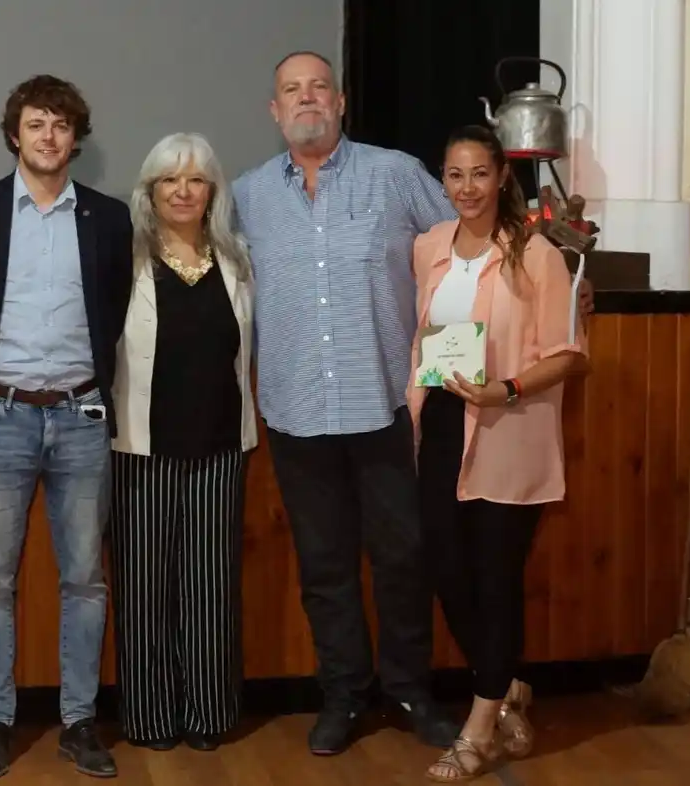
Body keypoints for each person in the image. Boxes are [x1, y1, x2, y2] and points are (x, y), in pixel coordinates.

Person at [231, 51, 593, 757]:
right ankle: (342, 695)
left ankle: (409, 691)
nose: (307, 99)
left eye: (319, 87)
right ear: (274, 112)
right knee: (325, 568)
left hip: (389, 410)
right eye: (291, 91)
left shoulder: (396, 176)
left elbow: (472, 244)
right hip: (295, 413)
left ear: (340, 103)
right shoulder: (246, 196)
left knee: (404, 560)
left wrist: (566, 272)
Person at [0, 74, 133, 780]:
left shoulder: (109, 219)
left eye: (60, 124)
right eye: (35, 124)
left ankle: (79, 722)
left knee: (85, 579)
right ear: (14, 135)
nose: (48, 136)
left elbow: (111, 314)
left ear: (75, 138)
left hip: (82, 416)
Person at [410, 125, 588, 782]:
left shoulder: (535, 254)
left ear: (502, 177)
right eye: (455, 175)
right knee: (449, 573)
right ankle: (508, 688)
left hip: (509, 428)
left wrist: (505, 389)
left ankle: (479, 728)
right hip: (443, 425)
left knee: (494, 578)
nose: (467, 188)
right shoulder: (428, 247)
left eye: (479, 173)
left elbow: (569, 352)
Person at [107, 132, 257, 752]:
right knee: (144, 588)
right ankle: (148, 717)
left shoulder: (239, 259)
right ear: (150, 190)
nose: (183, 191)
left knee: (210, 587)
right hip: (142, 446)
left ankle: (209, 714)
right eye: (170, 179)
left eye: (196, 180)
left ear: (212, 192)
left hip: (222, 444)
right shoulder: (124, 259)